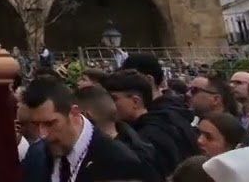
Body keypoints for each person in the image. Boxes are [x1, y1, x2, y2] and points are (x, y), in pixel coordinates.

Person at [19, 76, 152, 181]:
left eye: (50, 124)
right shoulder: (36, 154)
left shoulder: (120, 163)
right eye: (36, 125)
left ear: (74, 113)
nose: (43, 134)